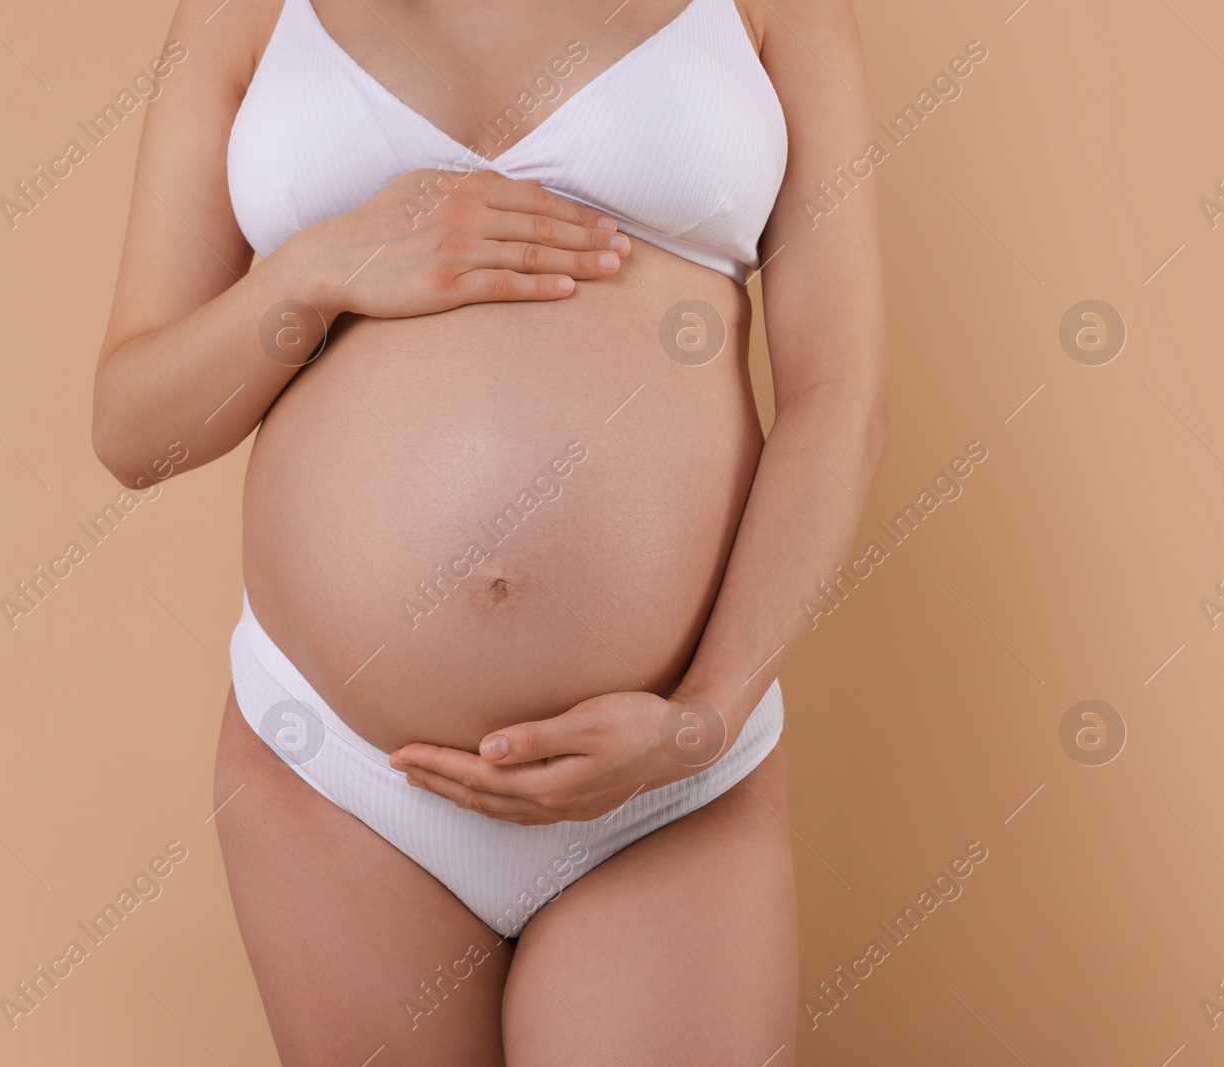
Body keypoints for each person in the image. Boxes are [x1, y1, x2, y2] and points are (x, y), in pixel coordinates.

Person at [92, 0, 888, 1061]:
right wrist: (313, 269)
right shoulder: (241, 18)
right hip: (339, 772)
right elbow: (134, 426)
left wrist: (702, 715)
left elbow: (840, 395)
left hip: (664, 784)